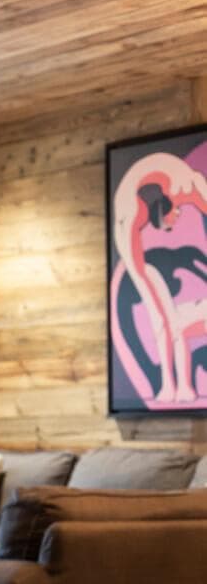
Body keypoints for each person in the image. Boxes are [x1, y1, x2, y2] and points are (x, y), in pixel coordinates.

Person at [112, 152, 207, 404]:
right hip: (140, 257)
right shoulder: (132, 212)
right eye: (175, 212)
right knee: (165, 321)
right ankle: (173, 386)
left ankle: (176, 386)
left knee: (168, 322)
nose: (178, 215)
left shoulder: (180, 183)